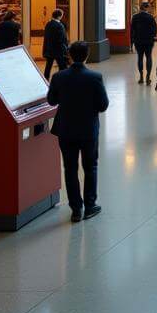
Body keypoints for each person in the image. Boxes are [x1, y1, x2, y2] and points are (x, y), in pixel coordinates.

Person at [46, 40, 109, 221]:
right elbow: (103, 105)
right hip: (88, 129)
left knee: (70, 168)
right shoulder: (95, 77)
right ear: (87, 55)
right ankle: (90, 205)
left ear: (69, 55)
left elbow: (51, 100)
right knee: (90, 167)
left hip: (65, 129)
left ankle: (75, 209)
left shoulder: (59, 77)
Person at [130, 0, 157, 84]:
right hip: (149, 41)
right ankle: (148, 77)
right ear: (146, 8)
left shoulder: (135, 17)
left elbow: (132, 30)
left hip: (138, 41)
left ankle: (141, 76)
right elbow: (154, 29)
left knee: (140, 58)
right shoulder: (150, 17)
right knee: (149, 57)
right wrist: (154, 37)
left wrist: (132, 41)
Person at [42, 8, 69, 80]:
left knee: (48, 66)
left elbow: (46, 38)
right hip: (58, 50)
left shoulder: (48, 24)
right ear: (59, 16)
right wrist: (66, 48)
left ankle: (45, 79)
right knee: (62, 66)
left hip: (49, 49)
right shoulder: (60, 26)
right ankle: (62, 80)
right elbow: (62, 39)